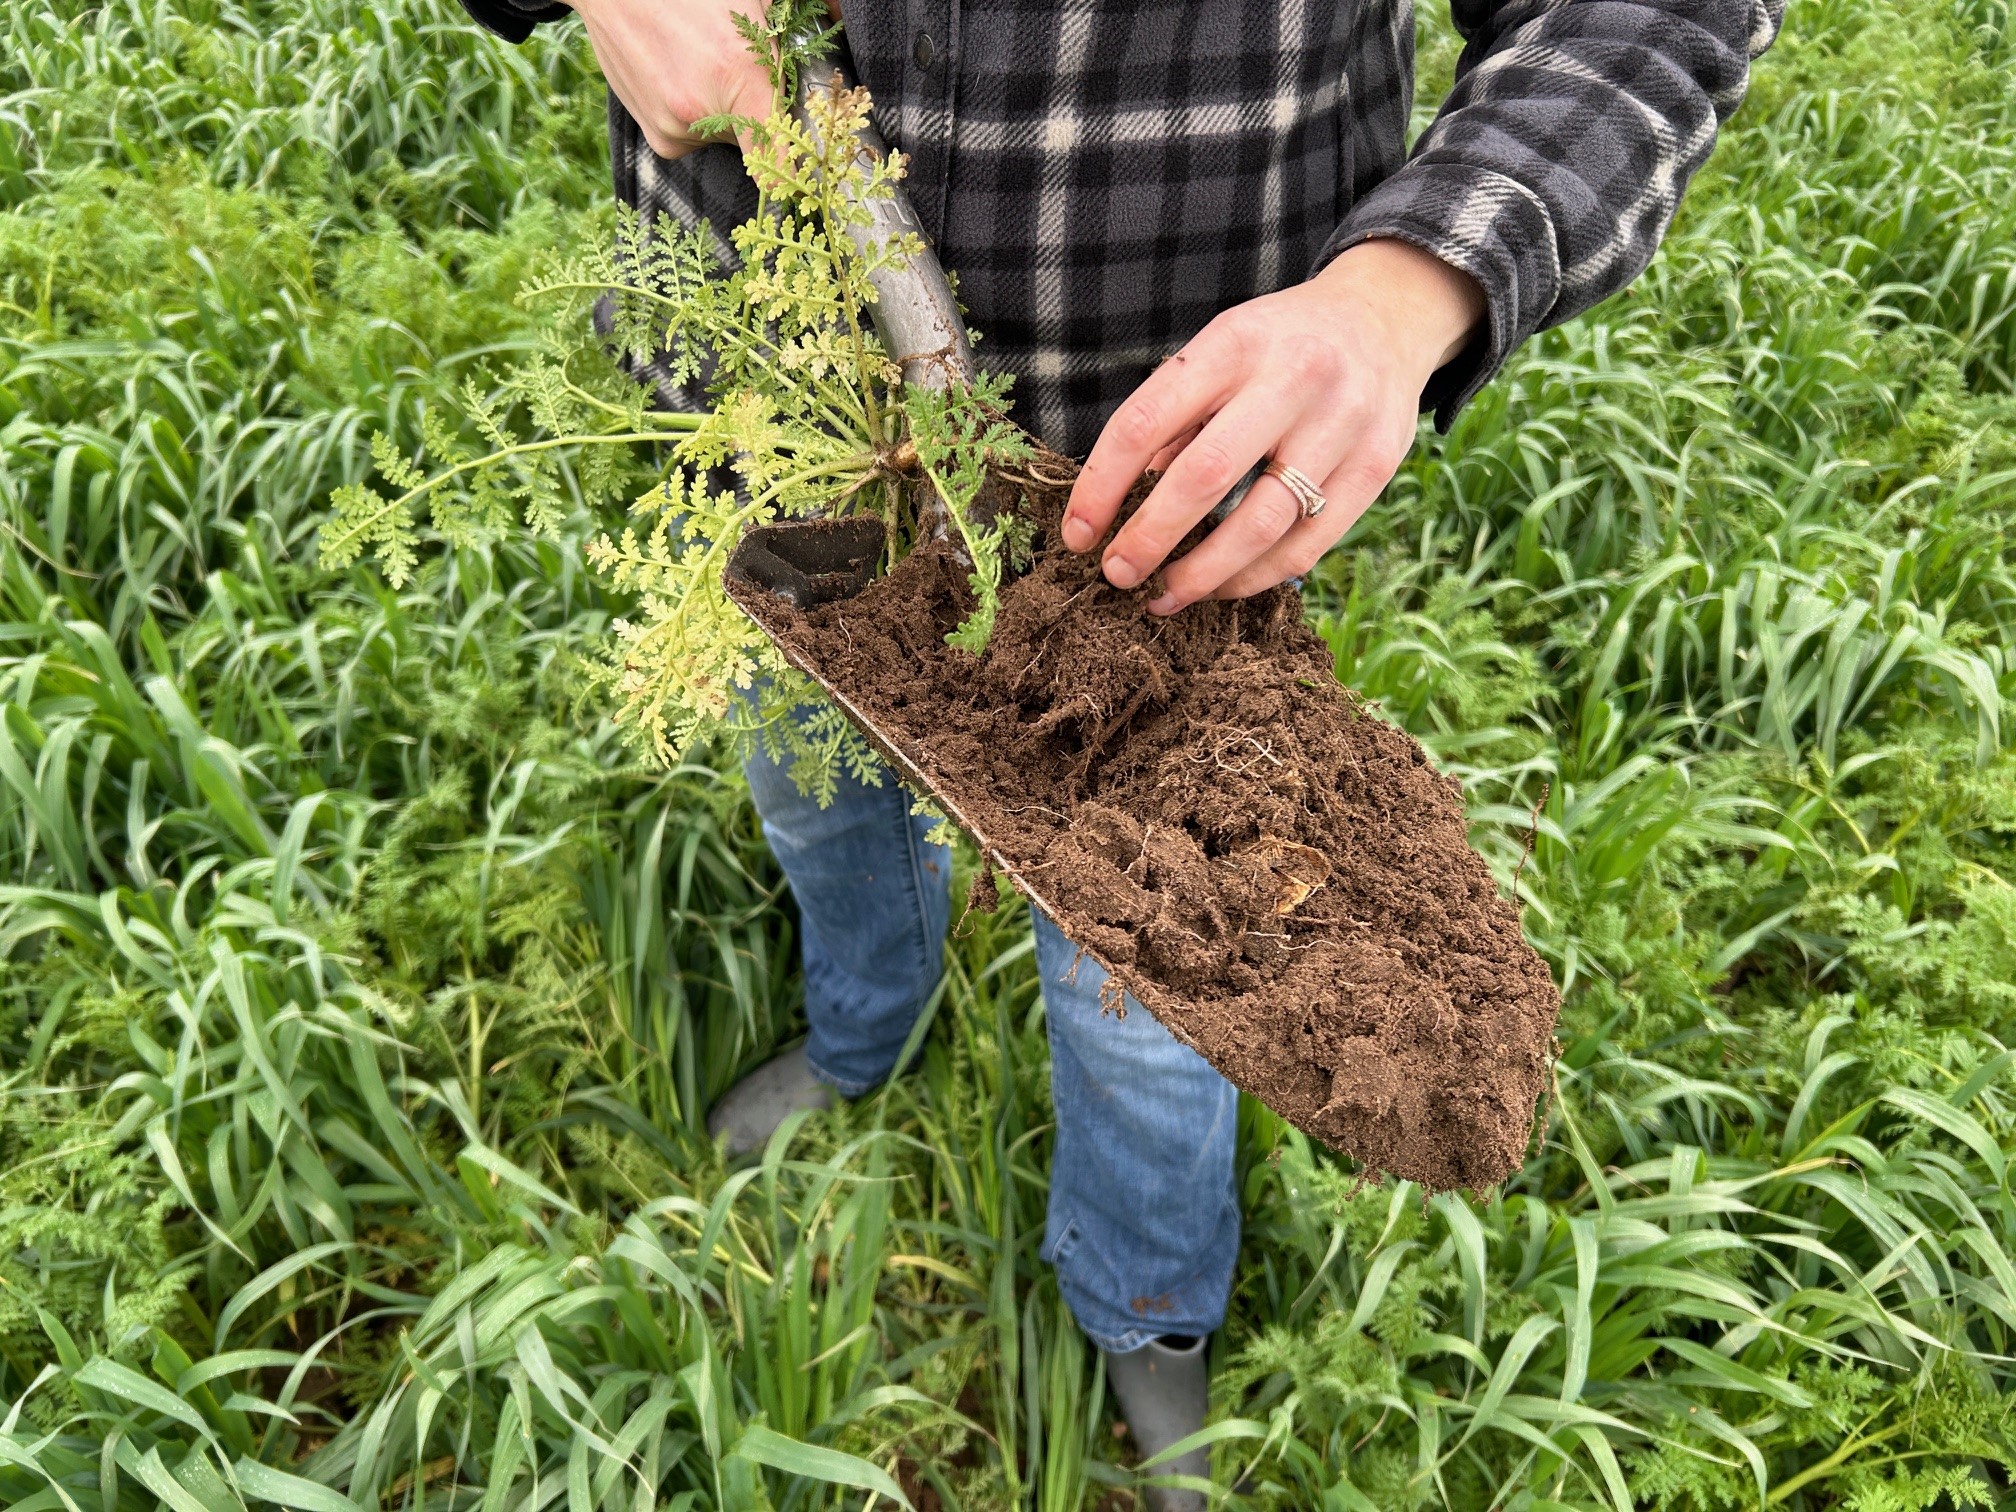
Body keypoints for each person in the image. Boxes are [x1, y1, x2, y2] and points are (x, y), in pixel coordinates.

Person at [449, 0, 1781, 1502]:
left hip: (1159, 483)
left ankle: (1146, 1301)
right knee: (817, 794)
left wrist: (1406, 295)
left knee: (1152, 989)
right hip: (773, 416)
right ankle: (859, 1029)